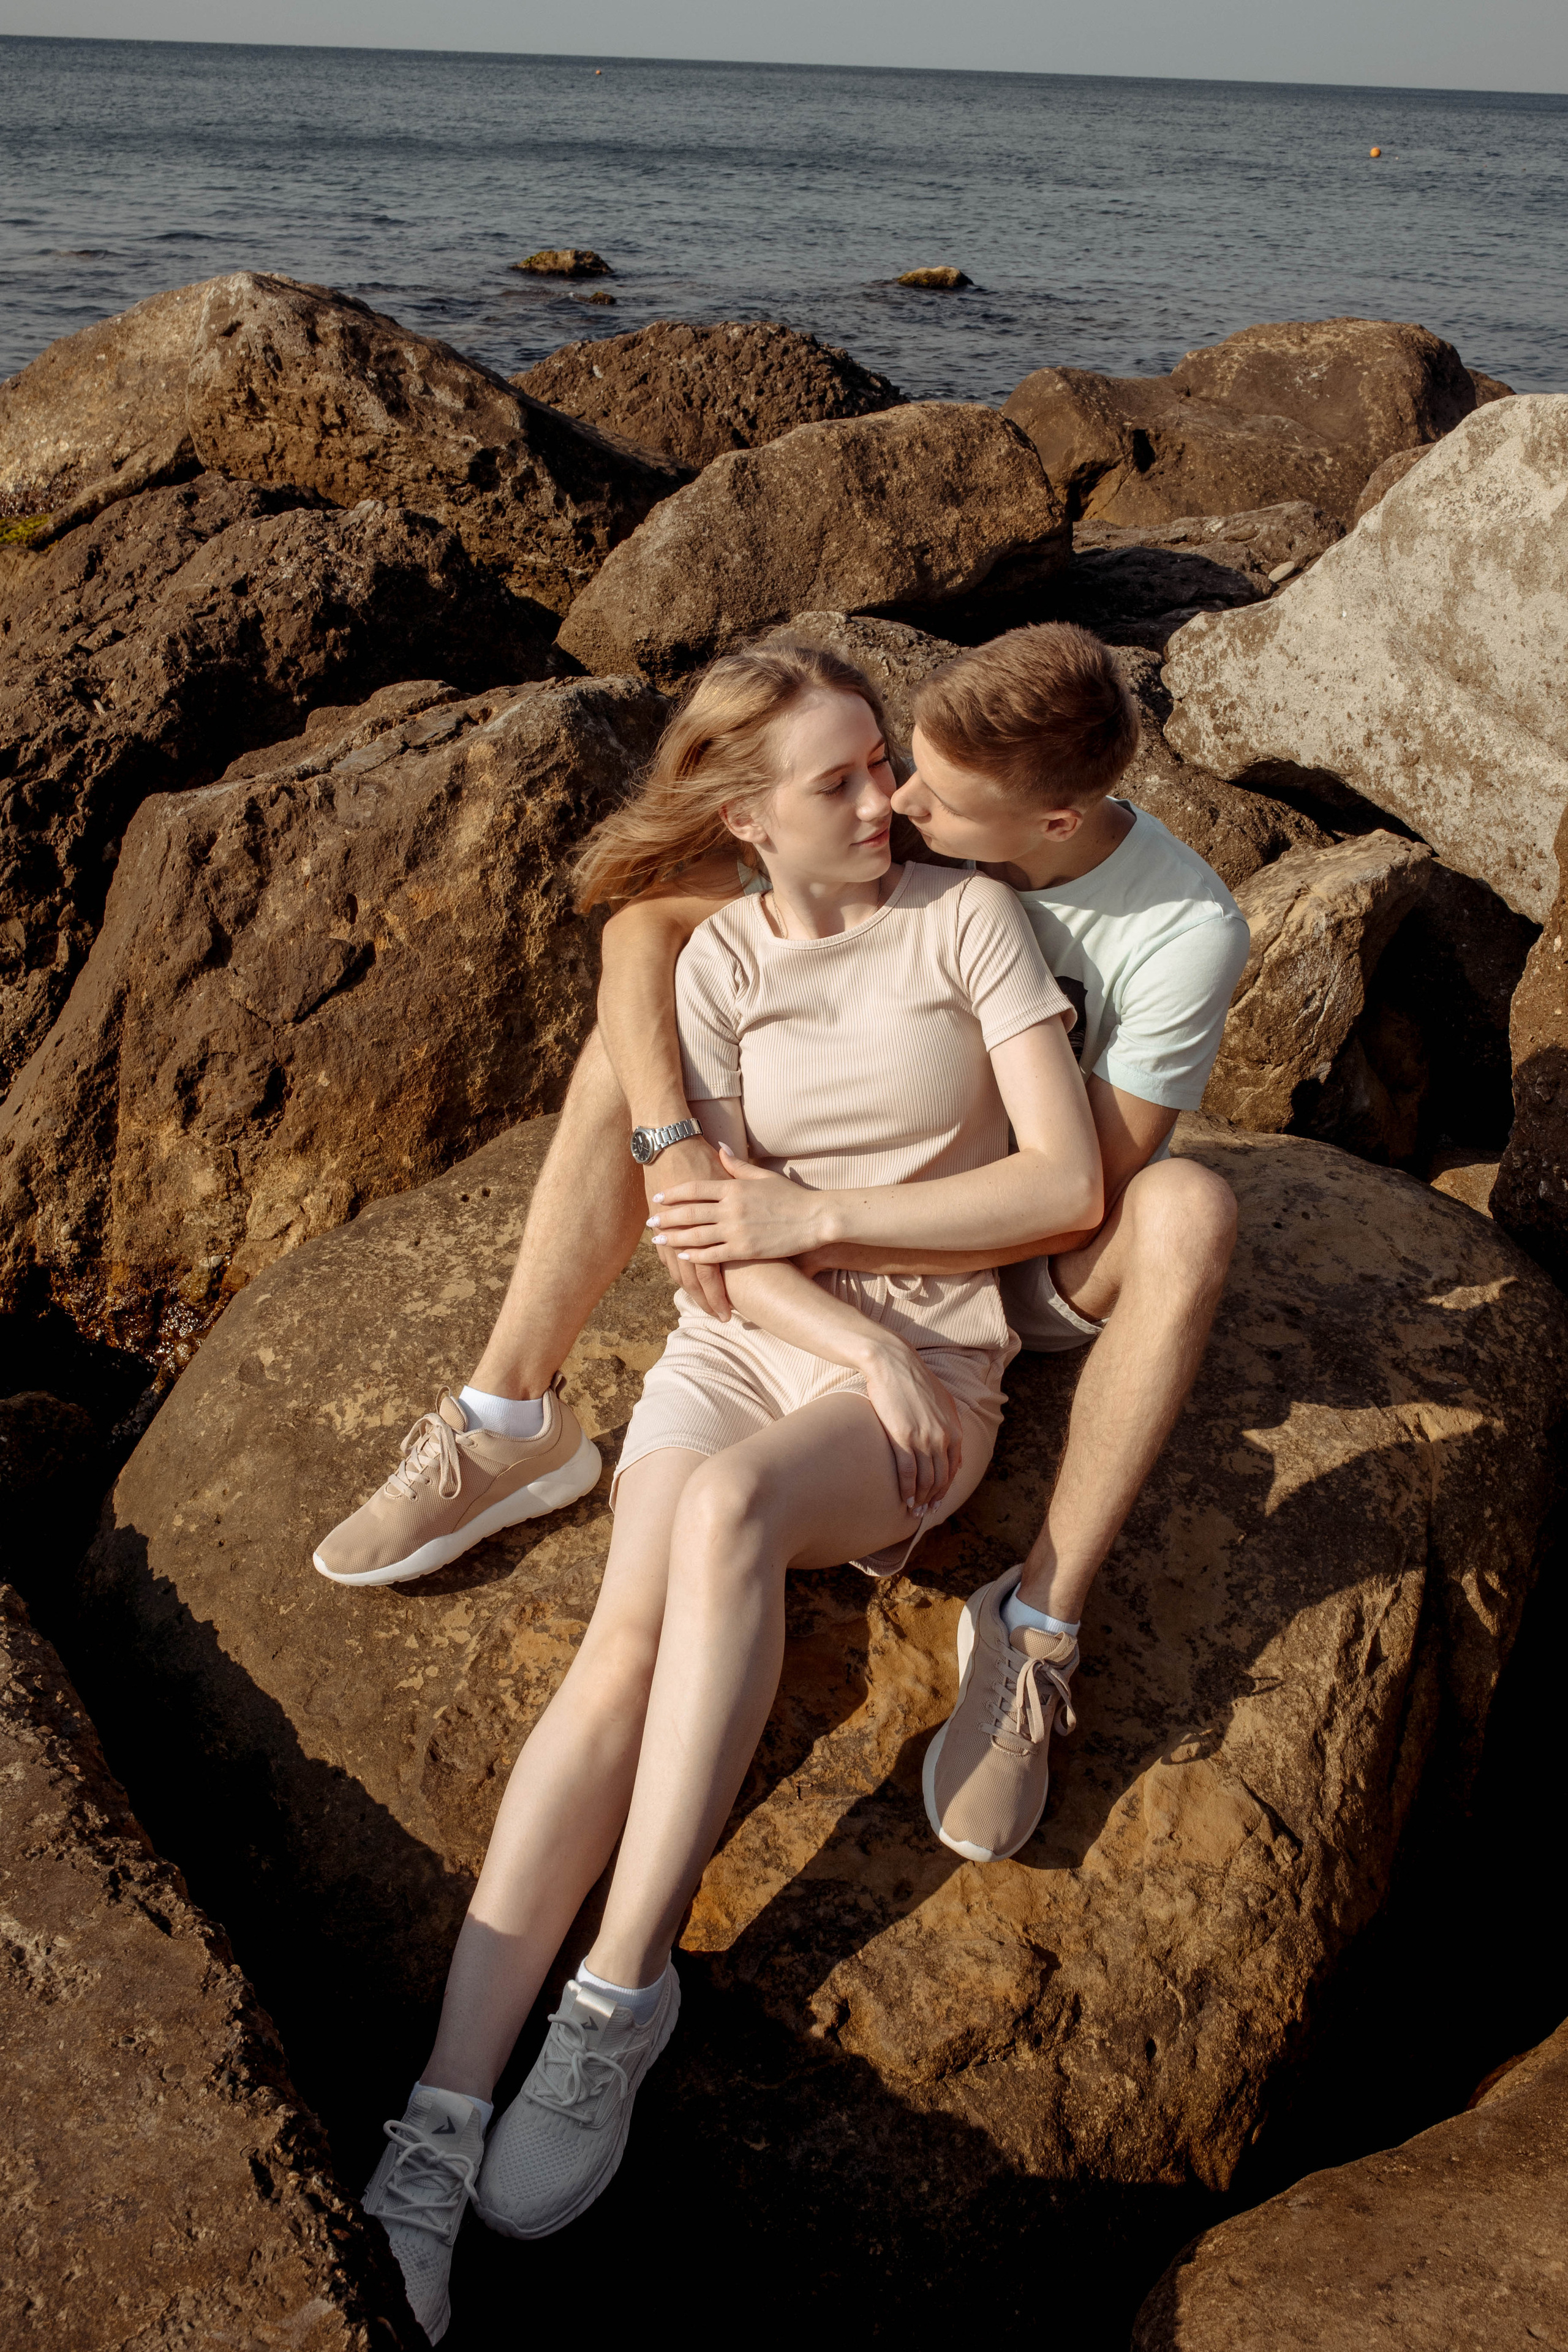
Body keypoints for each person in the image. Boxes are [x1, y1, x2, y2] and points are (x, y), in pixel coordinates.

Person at [346, 641, 1102, 2342]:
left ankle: (618, 1998)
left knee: (727, 1512)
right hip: (766, 1348)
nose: (885, 799)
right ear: (746, 820)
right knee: (617, 1648)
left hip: (927, 1381)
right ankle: (438, 2129)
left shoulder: (967, 923)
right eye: (841, 780)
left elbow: (1059, 1186)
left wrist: (868, 1300)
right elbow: (704, 1245)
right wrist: (846, 1330)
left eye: (880, 764)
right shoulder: (711, 963)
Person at [316, 620, 1246, 1868]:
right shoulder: (907, 818)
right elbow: (643, 934)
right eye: (896, 766)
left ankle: (1033, 1624)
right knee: (632, 1050)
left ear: (1054, 825)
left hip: (1018, 1255)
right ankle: (508, 1416)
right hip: (838, 1222)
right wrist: (676, 1152)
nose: (897, 803)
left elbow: (1082, 1200)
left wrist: (810, 1224)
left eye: (928, 792)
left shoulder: (1181, 929)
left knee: (1188, 1210)